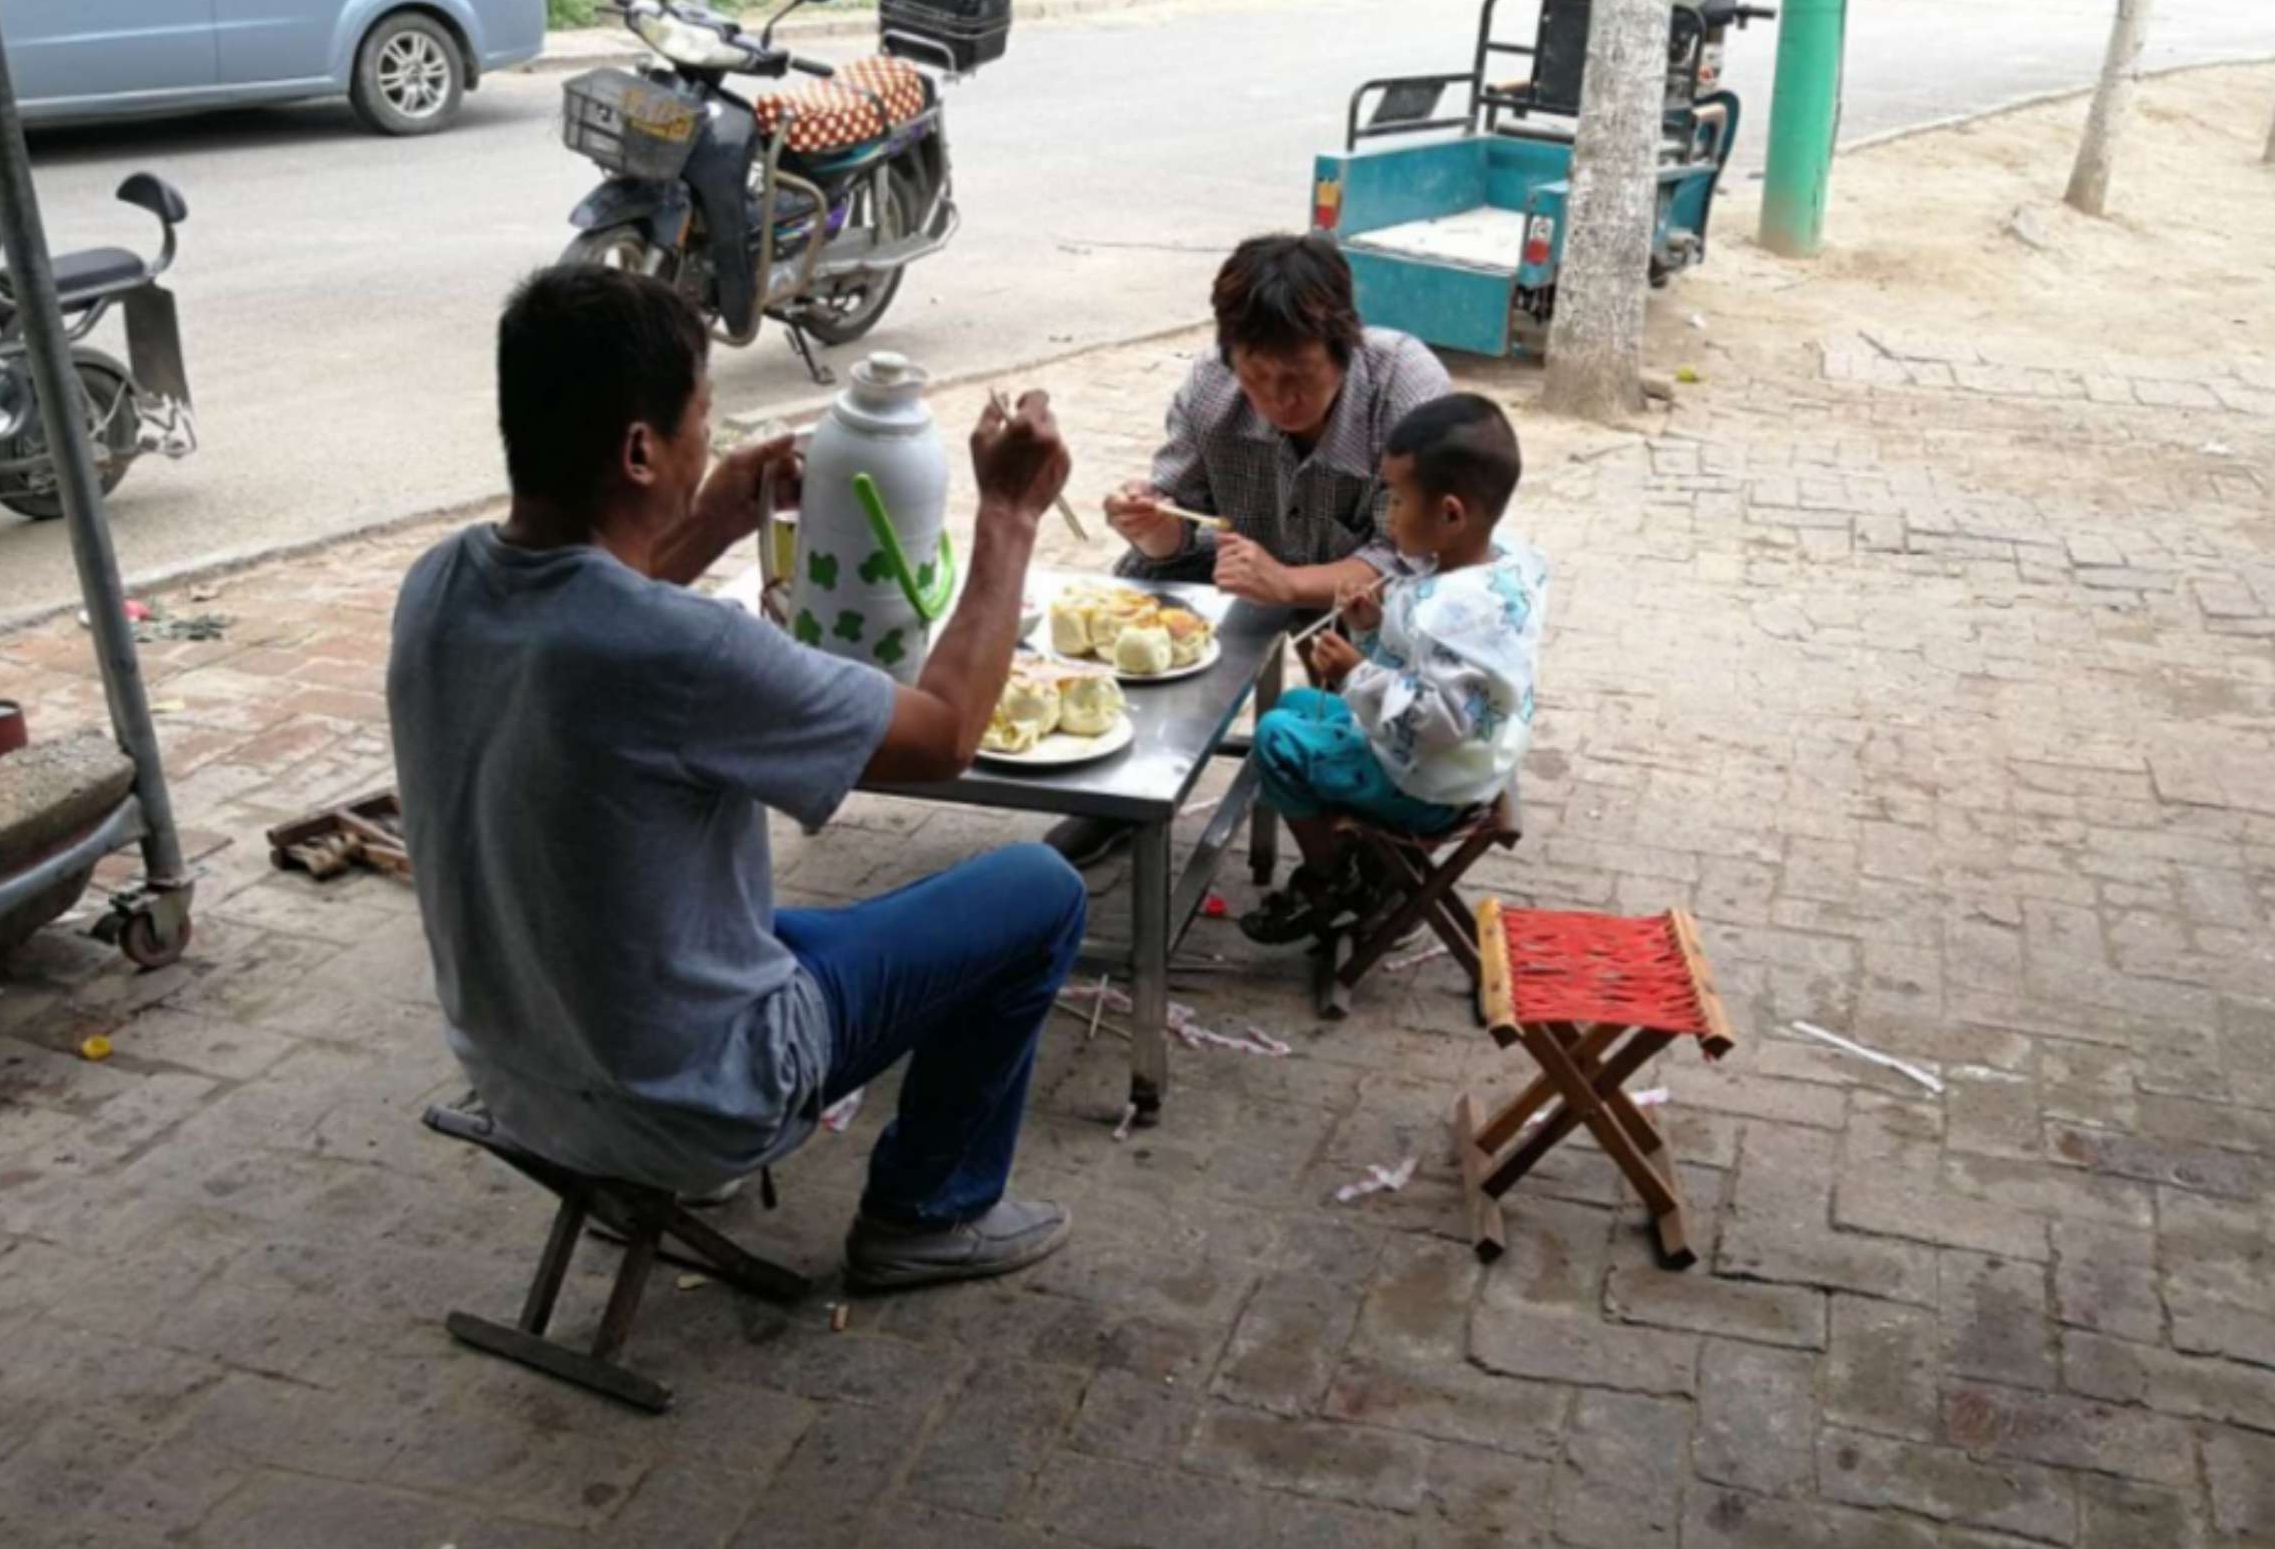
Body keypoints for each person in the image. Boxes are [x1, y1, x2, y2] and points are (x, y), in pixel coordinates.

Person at [388, 265, 1084, 1292]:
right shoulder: (682, 649)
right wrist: (1011, 517)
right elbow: (942, 735)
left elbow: (589, 620)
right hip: (701, 1094)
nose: (707, 441)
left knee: (802, 918)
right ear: (638, 451)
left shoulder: (440, 582)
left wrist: (711, 518)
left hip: (517, 1064)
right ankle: (926, 1210)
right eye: (700, 421)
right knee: (1036, 890)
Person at [1047, 232, 1452, 868]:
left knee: (1402, 650)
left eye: (1299, 378)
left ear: (1344, 347)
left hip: (1366, 588)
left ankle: (1372, 841)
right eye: (1257, 377)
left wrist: (1289, 584)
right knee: (1134, 603)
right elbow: (1179, 525)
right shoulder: (1212, 389)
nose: (1277, 400)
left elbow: (1416, 556)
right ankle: (1118, 797)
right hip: (1241, 560)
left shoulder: (1403, 388)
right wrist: (1148, 524)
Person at [1238, 393, 1550, 942]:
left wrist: (1359, 671)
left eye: (1398, 500)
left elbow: (1442, 716)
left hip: (1433, 784)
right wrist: (1372, 627)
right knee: (1291, 706)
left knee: (1275, 739)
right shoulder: (1502, 561)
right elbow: (1433, 666)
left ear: (1450, 514)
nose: (1386, 515)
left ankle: (1332, 878)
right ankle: (1355, 863)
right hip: (1474, 754)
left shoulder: (1451, 610)